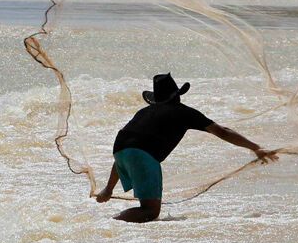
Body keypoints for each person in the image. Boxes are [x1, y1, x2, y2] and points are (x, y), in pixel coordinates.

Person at [95, 73, 277, 223]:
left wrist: (109, 189)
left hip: (120, 151)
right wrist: (255, 147)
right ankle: (111, 223)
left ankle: (111, 223)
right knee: (150, 211)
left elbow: (126, 150)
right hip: (142, 154)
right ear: (178, 95)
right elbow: (222, 131)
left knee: (148, 209)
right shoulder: (184, 112)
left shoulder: (143, 112)